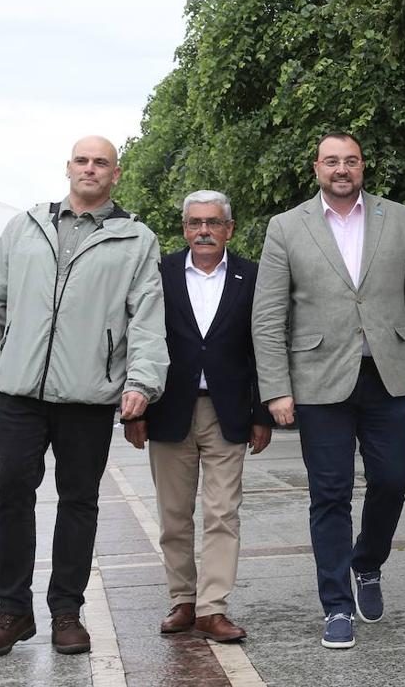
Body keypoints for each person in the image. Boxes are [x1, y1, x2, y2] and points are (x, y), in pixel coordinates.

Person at [0, 135, 169, 659]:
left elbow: (146, 320)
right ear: (68, 167)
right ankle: (12, 611)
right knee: (9, 491)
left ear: (115, 174)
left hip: (88, 395)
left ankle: (66, 611)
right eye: (82, 160)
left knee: (79, 502)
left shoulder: (136, 238)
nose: (90, 169)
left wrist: (141, 382)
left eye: (102, 162)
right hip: (18, 390)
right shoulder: (24, 228)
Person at [252, 131, 405, 650]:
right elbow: (268, 315)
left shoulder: (398, 219)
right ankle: (336, 604)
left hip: (388, 374)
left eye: (351, 160)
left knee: (394, 478)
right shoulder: (286, 227)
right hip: (316, 380)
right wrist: (276, 388)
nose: (342, 169)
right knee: (329, 494)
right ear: (316, 168)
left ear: (363, 166)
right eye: (332, 161)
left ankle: (367, 562)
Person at [124, 190, 272, 643]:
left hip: (228, 412)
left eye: (212, 222)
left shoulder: (253, 276)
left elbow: (263, 346)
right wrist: (136, 408)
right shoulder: (159, 273)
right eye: (194, 223)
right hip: (169, 409)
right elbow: (138, 337)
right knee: (173, 515)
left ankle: (212, 608)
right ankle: (183, 600)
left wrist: (262, 411)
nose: (203, 231)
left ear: (229, 228)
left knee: (223, 513)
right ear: (184, 228)